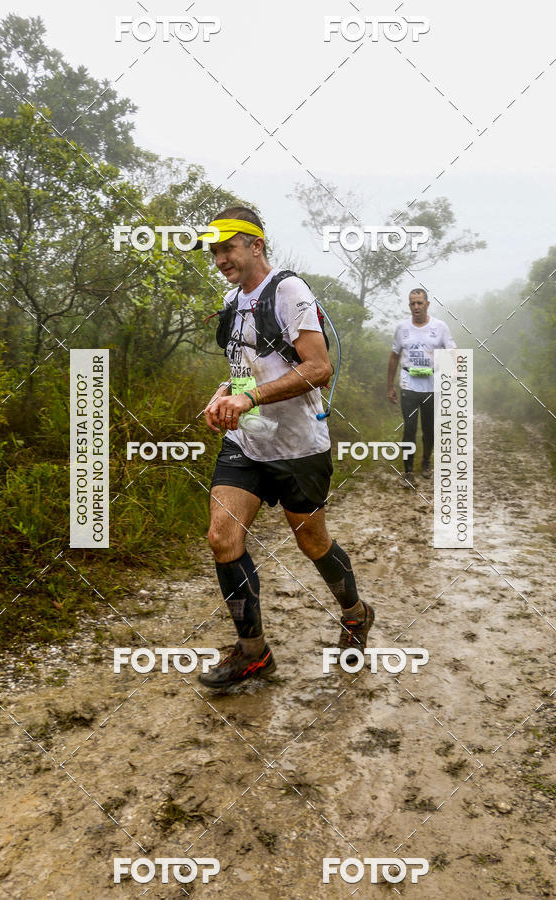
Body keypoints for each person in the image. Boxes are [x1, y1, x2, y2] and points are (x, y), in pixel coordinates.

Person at [194, 206, 374, 687]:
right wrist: (224, 397)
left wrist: (249, 396)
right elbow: (246, 369)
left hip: (298, 446)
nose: (219, 260)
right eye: (214, 252)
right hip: (247, 443)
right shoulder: (233, 301)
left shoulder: (289, 290)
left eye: (227, 248)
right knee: (222, 538)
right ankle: (253, 652)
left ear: (256, 245)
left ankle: (355, 614)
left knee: (311, 540)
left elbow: (318, 367)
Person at [387, 288, 456, 486]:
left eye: (419, 303)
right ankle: (408, 472)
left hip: (432, 384)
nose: (416, 307)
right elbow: (394, 356)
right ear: (409, 306)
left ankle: (426, 461)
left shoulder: (440, 326)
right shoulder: (402, 328)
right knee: (409, 428)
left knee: (429, 428)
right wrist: (390, 386)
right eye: (412, 303)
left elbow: (452, 350)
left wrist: (455, 370)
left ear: (427, 304)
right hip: (408, 383)